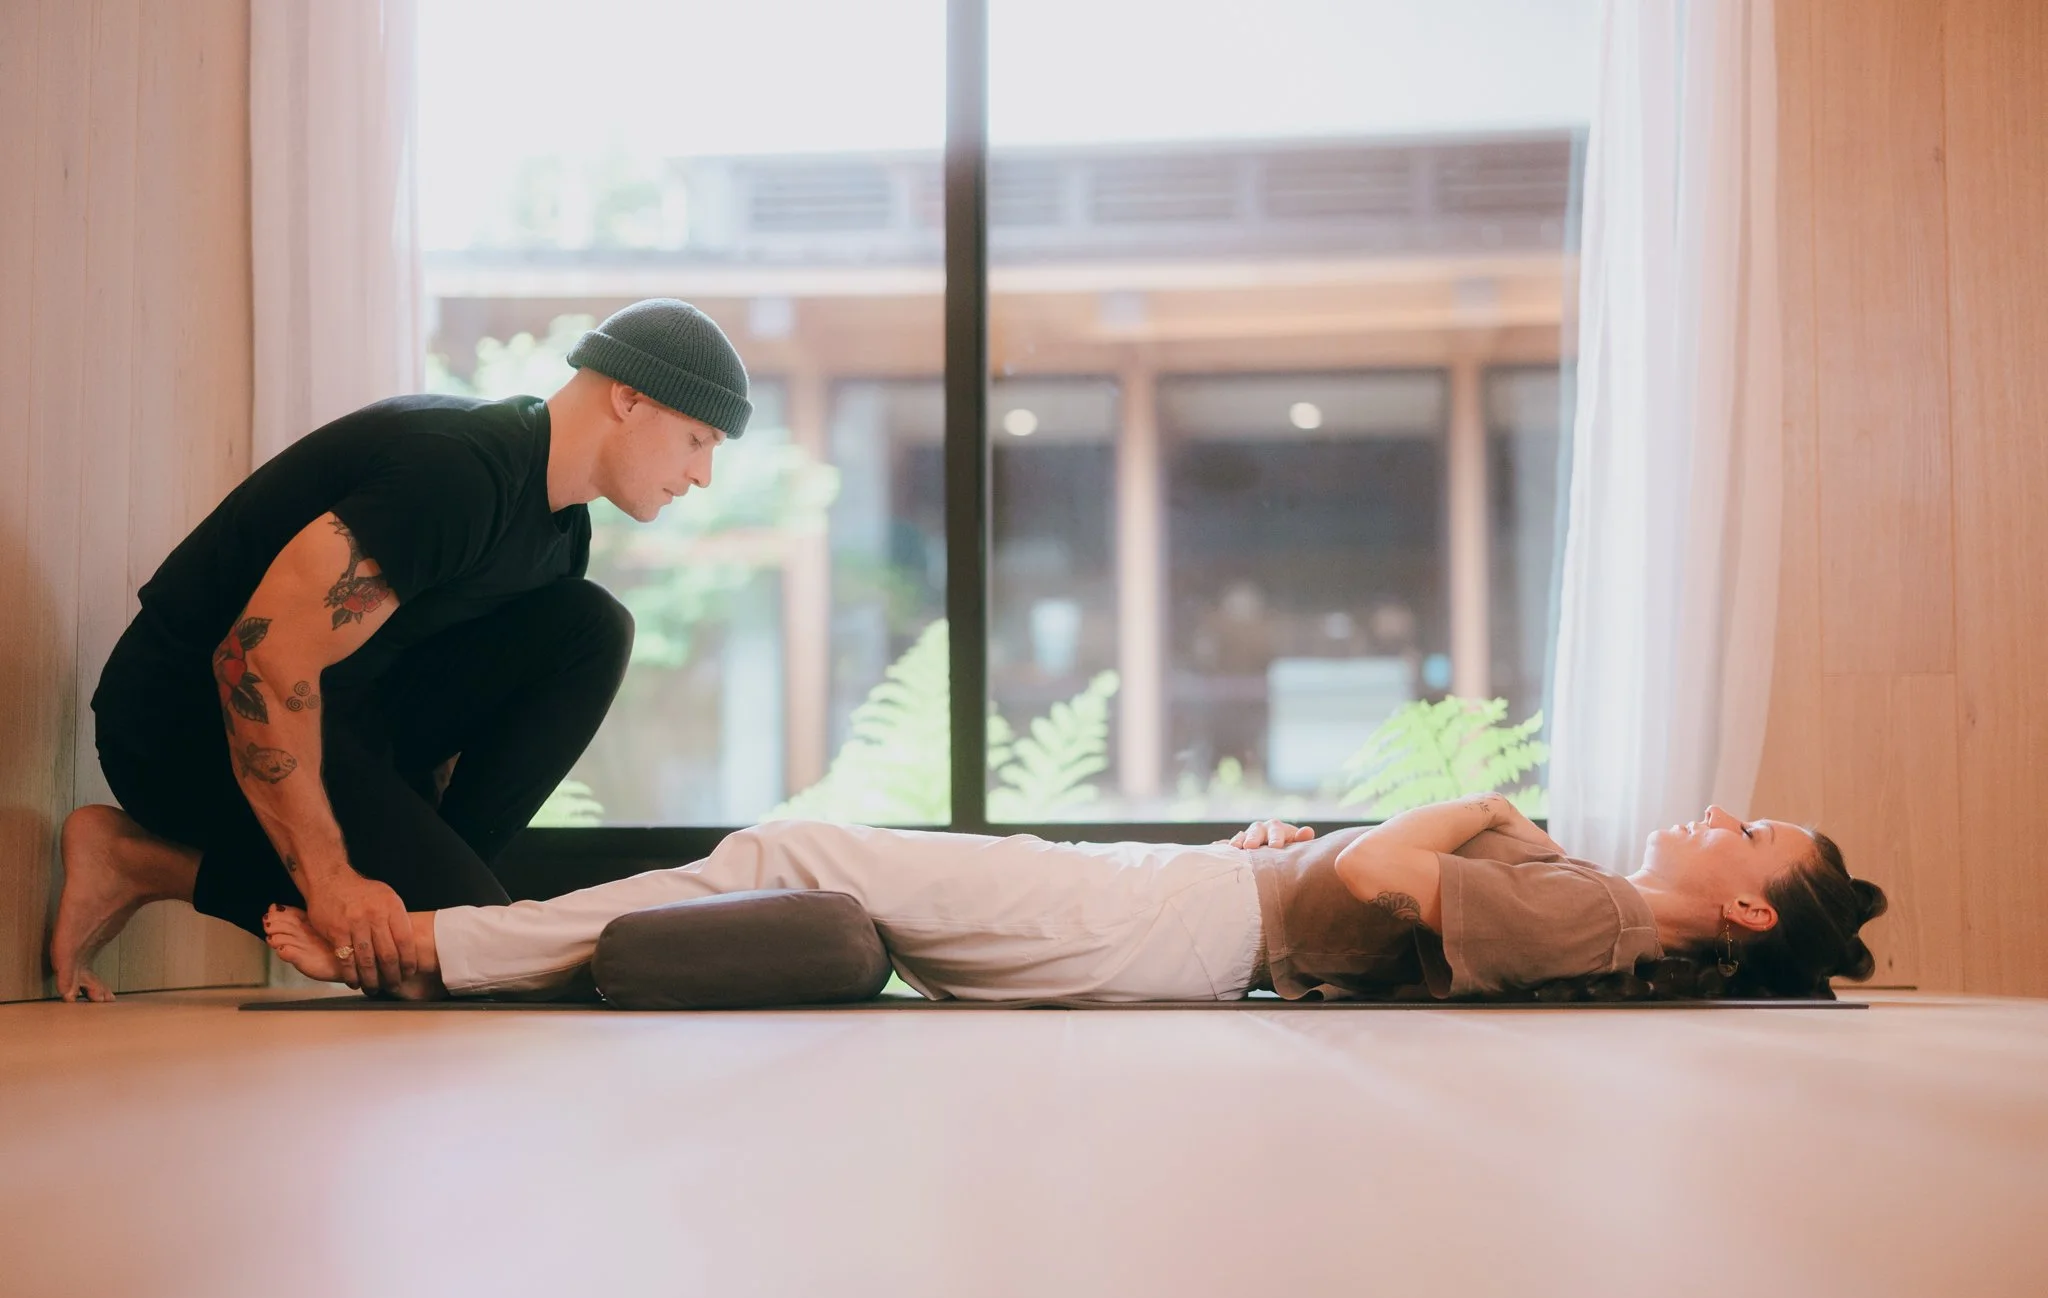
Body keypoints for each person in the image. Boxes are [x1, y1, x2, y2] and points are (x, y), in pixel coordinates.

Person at [51, 299, 753, 1002]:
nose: (702, 476)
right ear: (629, 398)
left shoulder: (562, 533)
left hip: (344, 724)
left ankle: (422, 927)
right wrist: (333, 883)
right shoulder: (456, 475)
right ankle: (141, 858)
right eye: (698, 439)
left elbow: (445, 701)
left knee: (591, 627)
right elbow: (257, 663)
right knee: (481, 964)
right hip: (179, 729)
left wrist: (429, 880)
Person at [258, 795, 1886, 1005]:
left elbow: (1397, 876)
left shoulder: (1607, 918)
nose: (1720, 813)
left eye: (1757, 835)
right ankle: (425, 956)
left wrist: (1471, 809)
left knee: (792, 848)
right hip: (1192, 907)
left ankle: (397, 948)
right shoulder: (1597, 900)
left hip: (1174, 934)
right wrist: (1309, 846)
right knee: (792, 852)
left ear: (1748, 912)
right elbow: (1377, 880)